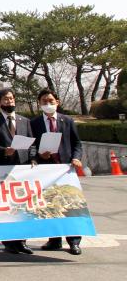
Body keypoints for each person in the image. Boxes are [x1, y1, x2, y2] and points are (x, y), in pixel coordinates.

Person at [30, 88, 84, 255]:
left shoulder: (67, 121)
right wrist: (36, 156)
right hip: (45, 171)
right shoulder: (34, 123)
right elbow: (31, 145)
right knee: (49, 205)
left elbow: (77, 144)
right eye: (44, 101)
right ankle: (54, 240)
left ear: (57, 102)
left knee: (71, 205)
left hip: (65, 170)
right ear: (39, 104)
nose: (48, 104)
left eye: (51, 101)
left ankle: (74, 241)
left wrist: (76, 158)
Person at [0, 88, 34, 255]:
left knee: (23, 205)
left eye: (12, 98)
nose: (10, 102)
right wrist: (4, 150)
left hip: (24, 168)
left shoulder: (25, 120)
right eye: (6, 99)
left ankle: (22, 241)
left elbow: (32, 143)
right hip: (4, 168)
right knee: (7, 206)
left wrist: (33, 158)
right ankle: (9, 242)